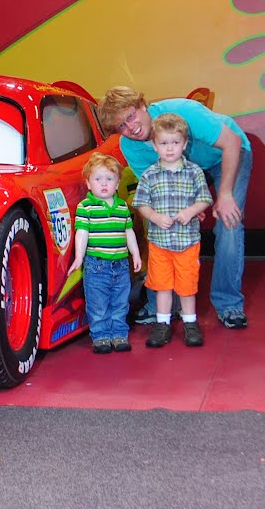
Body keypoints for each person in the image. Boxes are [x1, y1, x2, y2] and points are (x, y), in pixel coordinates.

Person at [98, 85, 252, 329]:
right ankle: (167, 304)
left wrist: (224, 195)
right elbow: (157, 191)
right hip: (184, 173)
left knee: (228, 221)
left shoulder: (183, 112)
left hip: (226, 154)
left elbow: (231, 142)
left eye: (131, 116)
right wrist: (186, 208)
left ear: (142, 106)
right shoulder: (131, 146)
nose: (131, 128)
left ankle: (228, 303)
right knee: (165, 226)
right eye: (122, 126)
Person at [131, 114, 212, 348]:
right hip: (160, 243)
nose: (169, 148)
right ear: (155, 145)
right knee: (162, 285)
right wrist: (155, 217)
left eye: (175, 142)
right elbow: (141, 203)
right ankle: (162, 324)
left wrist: (191, 211)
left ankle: (190, 323)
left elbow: (205, 199)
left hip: (187, 242)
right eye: (164, 143)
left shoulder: (194, 172)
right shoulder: (149, 175)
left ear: (184, 144)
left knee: (187, 286)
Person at [67, 152, 143, 354]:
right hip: (96, 265)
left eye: (109, 179)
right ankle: (100, 336)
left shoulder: (122, 207)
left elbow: (128, 232)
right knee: (98, 303)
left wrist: (135, 254)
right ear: (88, 183)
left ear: (117, 184)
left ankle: (119, 334)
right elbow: (81, 233)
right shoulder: (86, 207)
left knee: (120, 301)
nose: (103, 183)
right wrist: (79, 258)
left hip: (121, 264)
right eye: (97, 179)